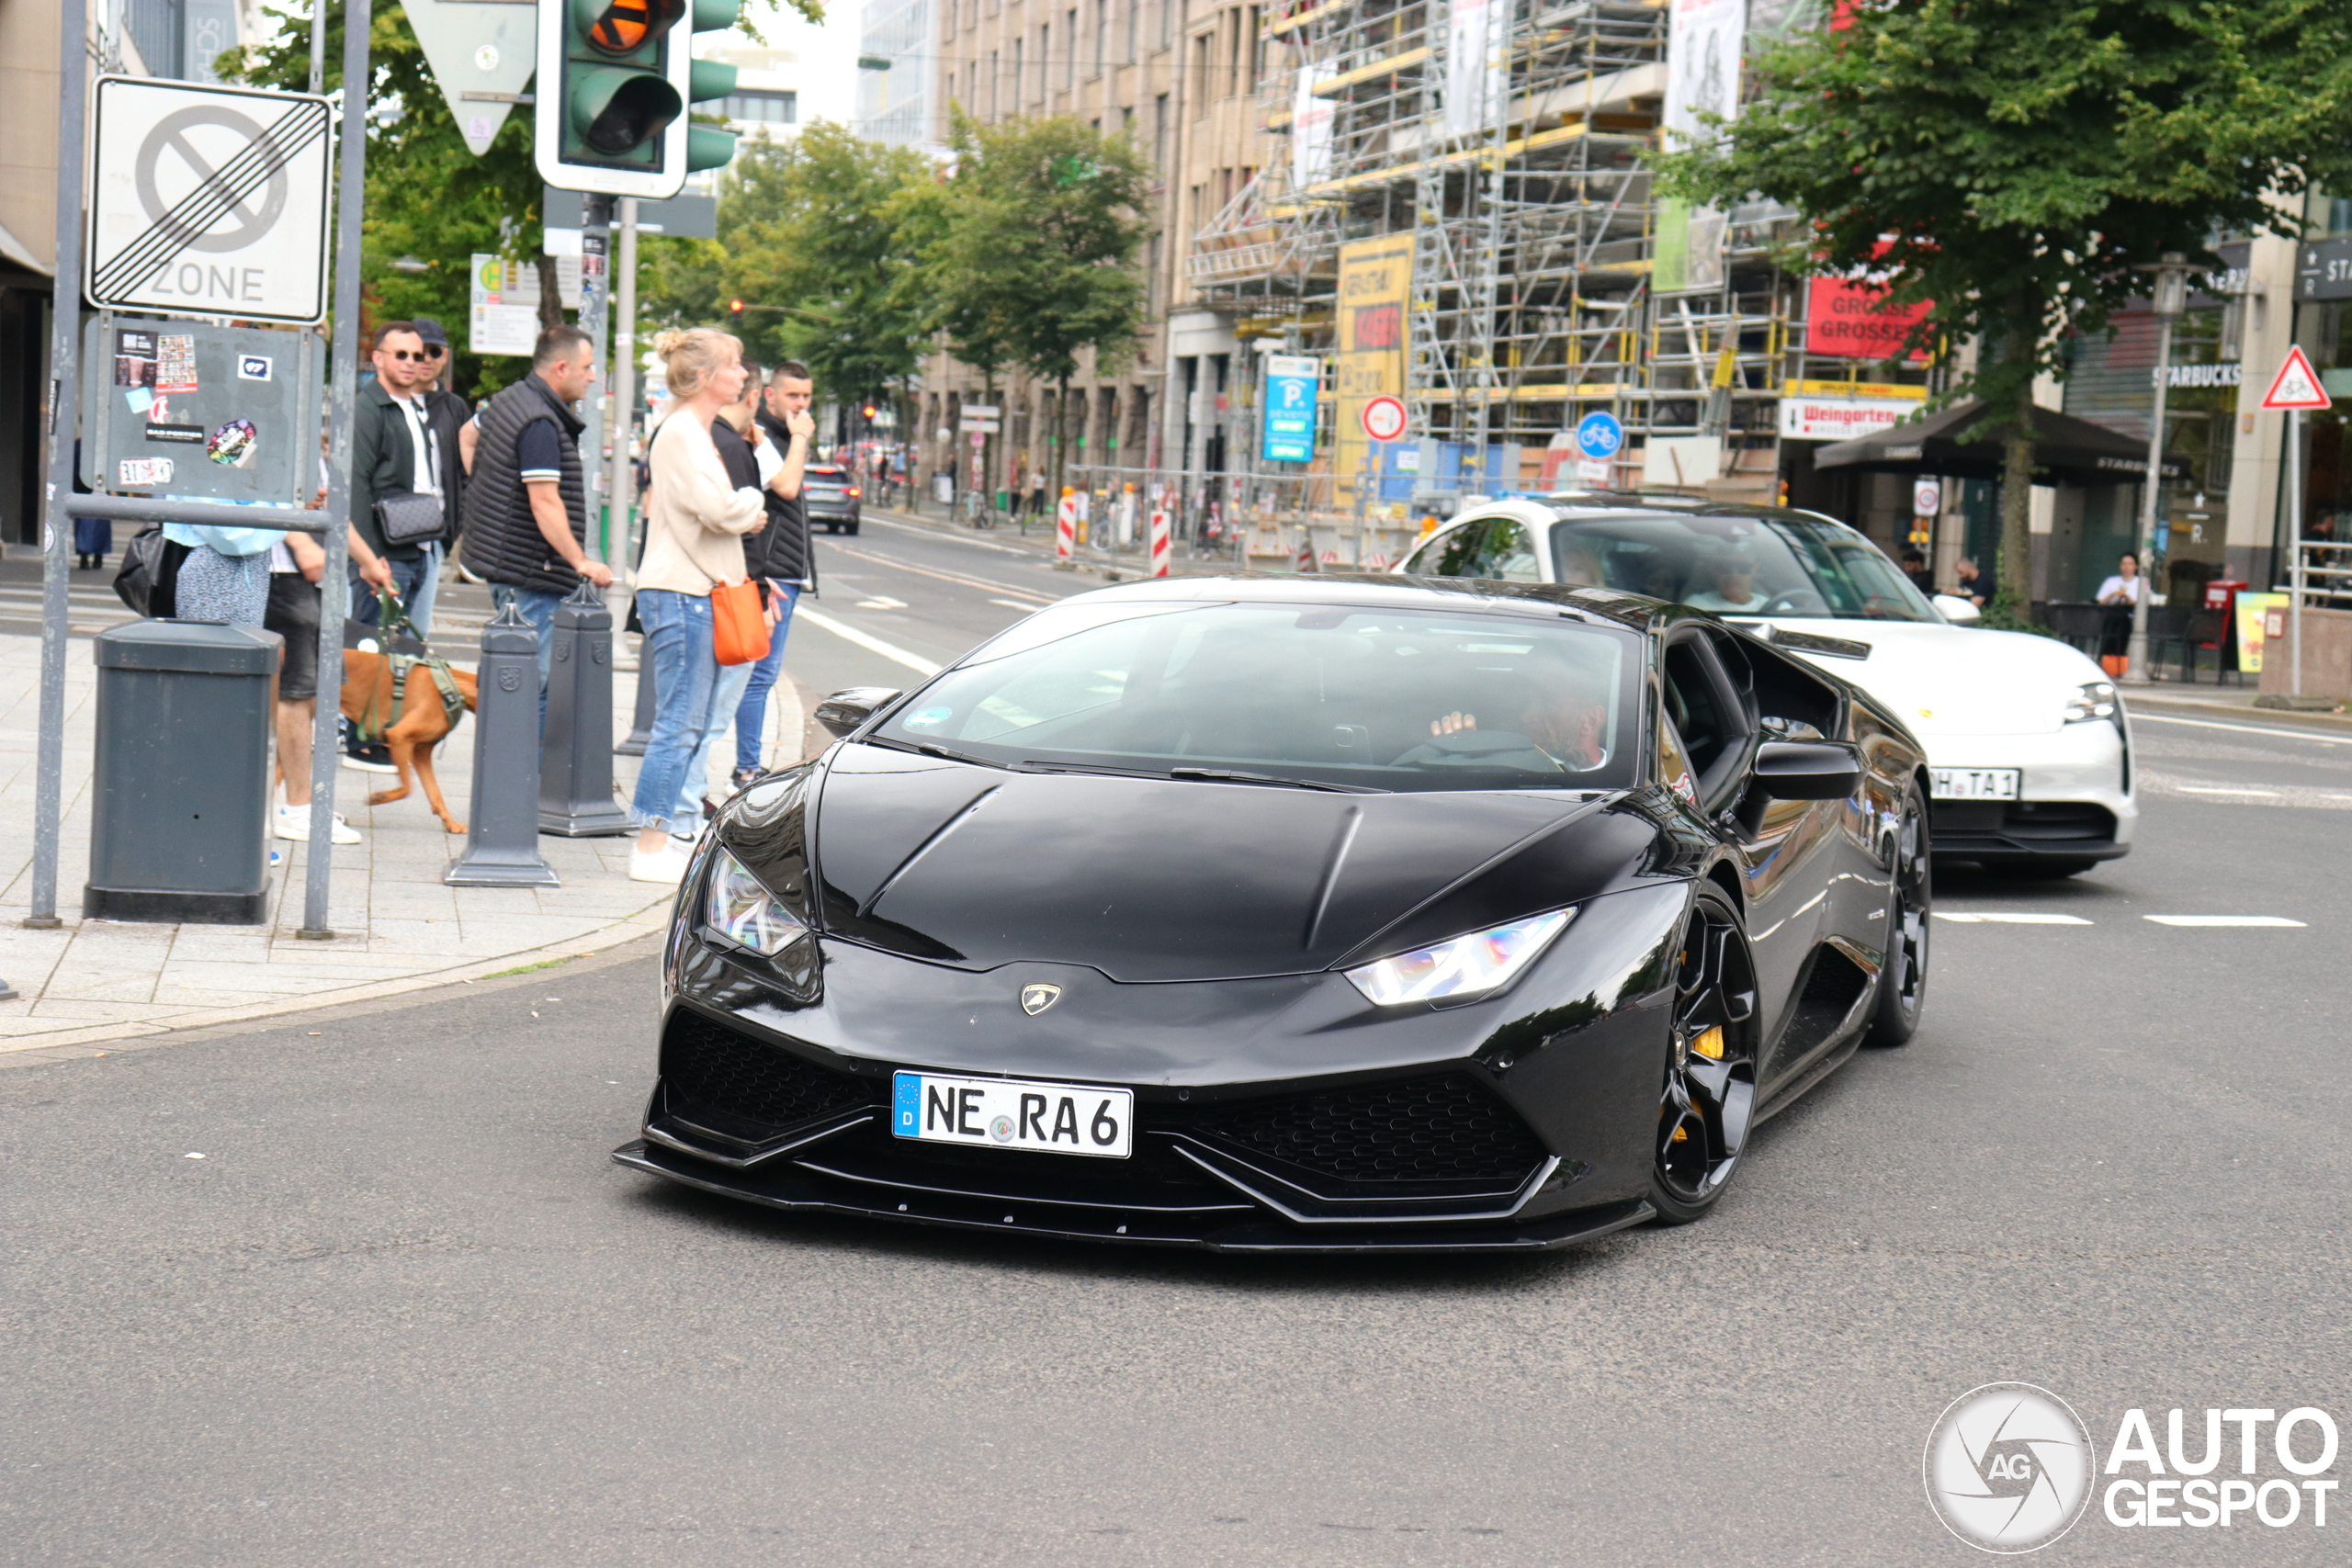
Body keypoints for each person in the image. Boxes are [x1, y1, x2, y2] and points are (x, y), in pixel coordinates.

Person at [627, 328, 767, 884]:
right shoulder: (683, 433)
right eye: (734, 366)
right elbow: (718, 508)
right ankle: (649, 845)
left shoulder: (692, 430)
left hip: (693, 591)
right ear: (708, 377)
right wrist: (750, 503)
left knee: (690, 723)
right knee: (680, 725)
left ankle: (661, 837)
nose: (743, 375)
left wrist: (740, 509)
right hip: (683, 593)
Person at [458, 324, 615, 716]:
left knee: (511, 678)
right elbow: (545, 502)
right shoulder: (542, 424)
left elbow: (465, 436)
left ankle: (513, 769)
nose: (593, 377)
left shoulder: (511, 399)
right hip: (532, 572)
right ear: (561, 368)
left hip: (504, 565)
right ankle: (526, 773)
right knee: (533, 687)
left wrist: (487, 494)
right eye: (588, 368)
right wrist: (580, 561)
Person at [741, 359, 820, 785]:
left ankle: (747, 763)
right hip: (773, 570)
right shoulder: (765, 435)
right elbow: (786, 487)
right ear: (769, 395)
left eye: (806, 396)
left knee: (760, 675)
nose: (801, 404)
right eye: (792, 395)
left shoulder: (781, 435)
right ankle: (748, 767)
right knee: (760, 675)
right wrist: (801, 438)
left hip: (784, 567)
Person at [350, 321, 450, 637]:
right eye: (401, 354)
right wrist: (368, 558)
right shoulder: (368, 409)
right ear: (378, 358)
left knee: (401, 657)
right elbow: (354, 486)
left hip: (418, 547)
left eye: (417, 356)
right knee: (372, 654)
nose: (411, 362)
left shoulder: (412, 408)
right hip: (385, 553)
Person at [266, 528, 361, 844]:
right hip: (282, 569)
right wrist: (300, 540)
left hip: (309, 573)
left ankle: (293, 805)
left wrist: (368, 561)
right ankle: (297, 808)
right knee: (295, 692)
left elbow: (334, 503)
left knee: (311, 689)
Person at [2095, 551, 2142, 677]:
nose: (2126, 567)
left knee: (2123, 625)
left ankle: (2118, 662)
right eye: (2124, 564)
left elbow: (2142, 604)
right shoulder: (2111, 581)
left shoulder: (2141, 583)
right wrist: (2112, 595)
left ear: (2136, 566)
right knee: (2112, 624)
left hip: (2129, 617)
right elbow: (2100, 601)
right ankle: (2108, 662)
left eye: (2130, 564)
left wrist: (2127, 597)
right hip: (2110, 615)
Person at [1683, 549, 1769, 613]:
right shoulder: (1696, 607)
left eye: (1743, 567)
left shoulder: (1771, 608)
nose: (1734, 575)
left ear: (1754, 570)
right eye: (1726, 567)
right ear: (1716, 570)